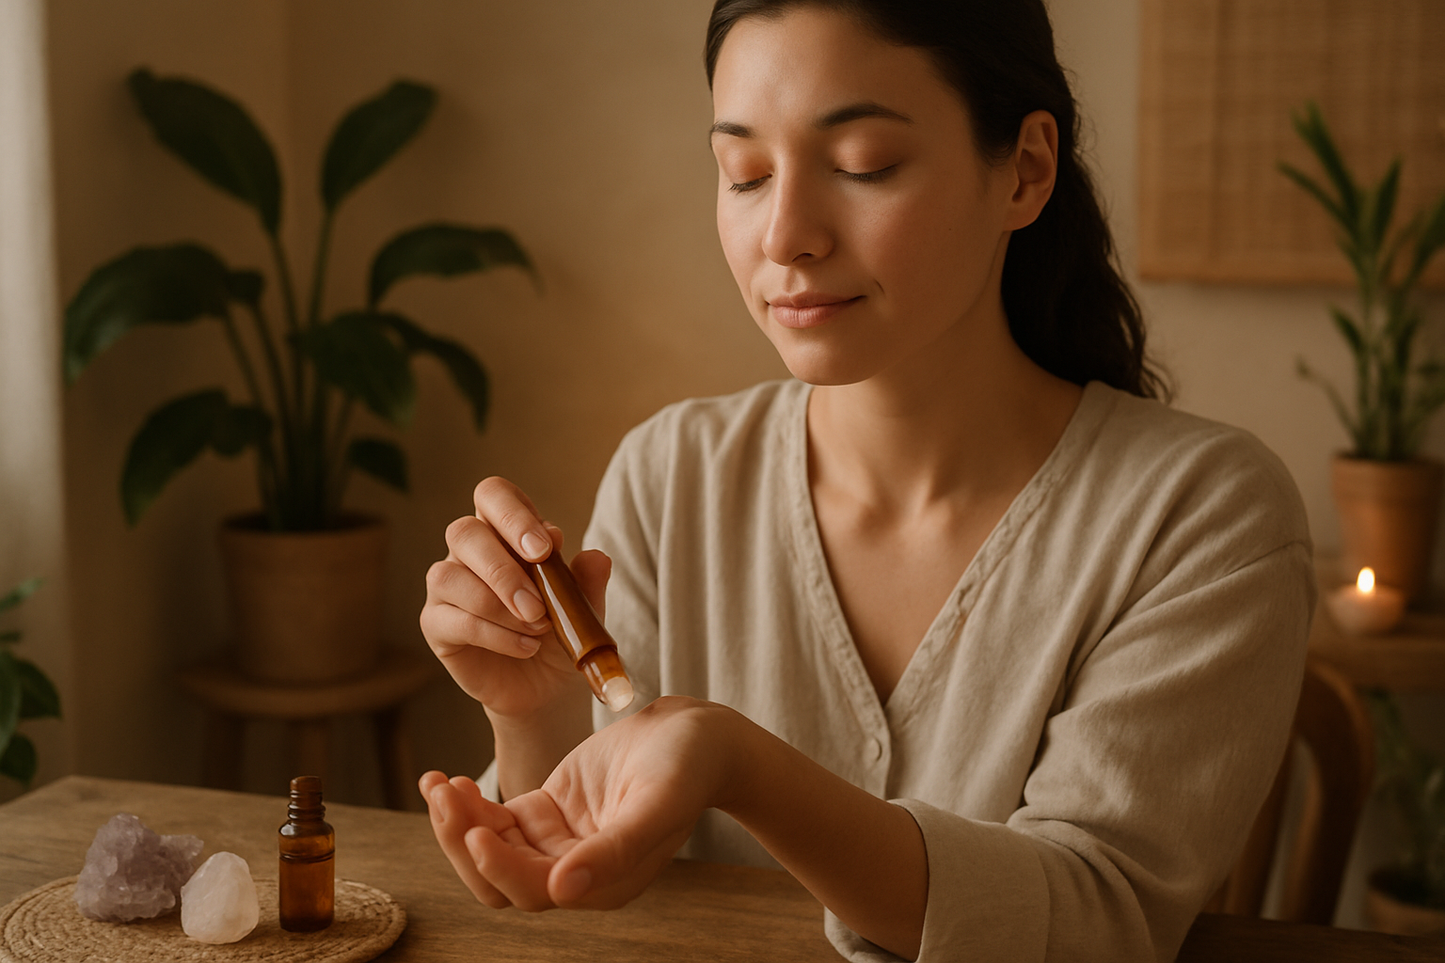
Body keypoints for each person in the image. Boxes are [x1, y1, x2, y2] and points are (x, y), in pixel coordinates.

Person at [417, 2, 1314, 960]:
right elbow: (604, 850)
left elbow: (1093, 920)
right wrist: (533, 712)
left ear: (1025, 168)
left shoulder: (1202, 515)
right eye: (745, 174)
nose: (786, 236)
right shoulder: (670, 472)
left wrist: (744, 767)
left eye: (862, 166)